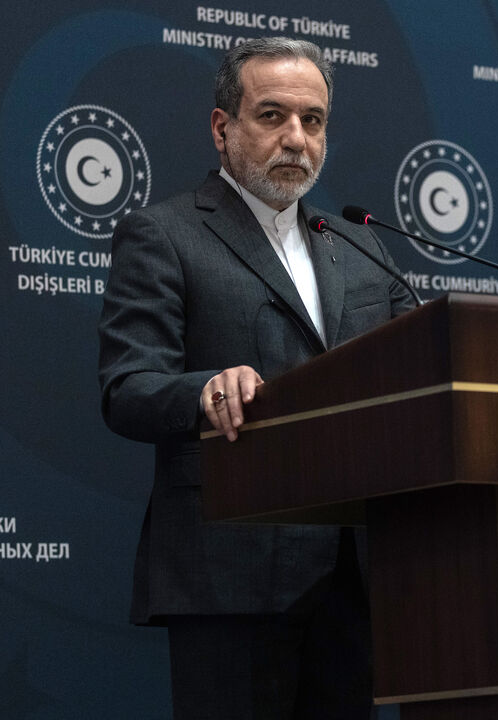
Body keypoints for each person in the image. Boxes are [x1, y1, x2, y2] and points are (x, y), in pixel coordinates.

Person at [98, 37, 416, 719]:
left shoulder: (361, 246)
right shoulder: (164, 235)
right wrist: (204, 388)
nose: (296, 137)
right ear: (223, 128)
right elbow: (127, 387)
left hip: (353, 577)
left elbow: (413, 369)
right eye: (272, 116)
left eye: (313, 120)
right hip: (229, 570)